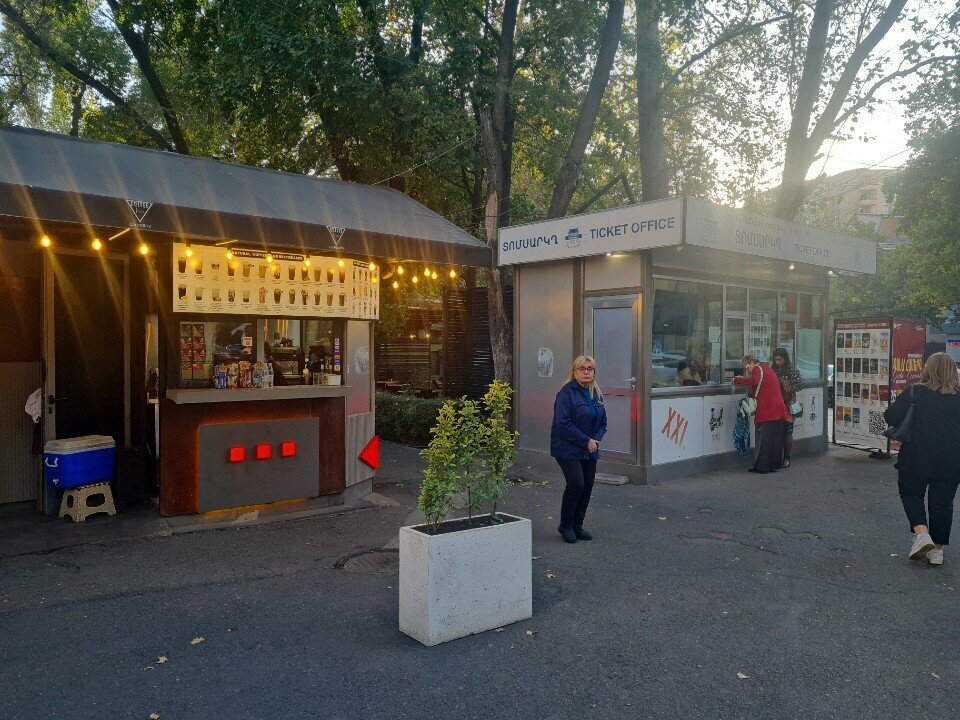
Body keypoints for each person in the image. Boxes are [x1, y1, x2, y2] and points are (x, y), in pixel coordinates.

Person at [884, 353, 960, 566]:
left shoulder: (914, 392)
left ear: (927, 369)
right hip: (951, 460)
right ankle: (937, 552)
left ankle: (922, 533)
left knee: (910, 493)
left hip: (916, 456)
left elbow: (890, 417)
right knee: (943, 503)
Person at [550, 355, 608, 543]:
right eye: (582, 369)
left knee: (587, 486)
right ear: (574, 372)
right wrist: (586, 441)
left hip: (589, 448)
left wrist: (595, 440)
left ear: (594, 372)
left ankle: (577, 525)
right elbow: (563, 424)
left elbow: (603, 422)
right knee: (577, 484)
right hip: (567, 448)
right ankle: (565, 526)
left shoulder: (595, 394)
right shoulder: (566, 393)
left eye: (589, 369)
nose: (586, 372)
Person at [733, 354, 786, 474]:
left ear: (752, 362)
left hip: (767, 409)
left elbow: (754, 381)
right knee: (775, 439)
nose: (748, 370)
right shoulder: (767, 368)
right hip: (778, 408)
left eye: (747, 367)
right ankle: (774, 465)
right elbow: (762, 385)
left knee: (764, 439)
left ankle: (762, 467)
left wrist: (738, 380)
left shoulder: (758, 369)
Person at [772, 347, 803, 468]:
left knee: (787, 431)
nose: (778, 362)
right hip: (775, 403)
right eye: (776, 360)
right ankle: (776, 457)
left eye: (780, 360)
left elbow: (800, 385)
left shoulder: (792, 370)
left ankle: (787, 457)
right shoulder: (773, 369)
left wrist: (787, 384)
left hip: (788, 404)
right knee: (776, 431)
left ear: (785, 359)